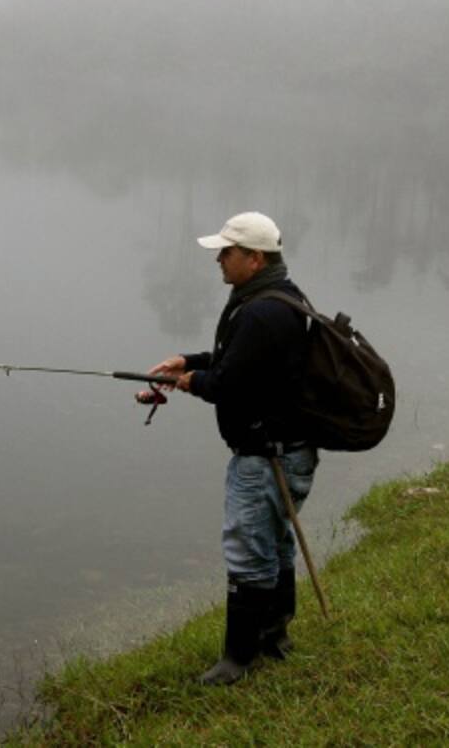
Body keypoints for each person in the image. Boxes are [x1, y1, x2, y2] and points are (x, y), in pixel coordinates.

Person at [139, 211, 319, 686]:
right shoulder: (284, 296)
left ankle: (237, 660)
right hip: (291, 449)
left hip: (265, 458)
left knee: (246, 550)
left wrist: (192, 379)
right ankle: (274, 638)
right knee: (275, 543)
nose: (219, 260)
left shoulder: (261, 310)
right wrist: (190, 360)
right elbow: (246, 362)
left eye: (228, 252)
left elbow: (230, 383)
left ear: (254, 259)